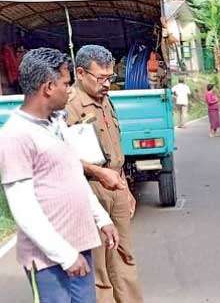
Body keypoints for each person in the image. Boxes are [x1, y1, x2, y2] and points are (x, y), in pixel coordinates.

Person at [0, 47, 118, 302]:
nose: (70, 90)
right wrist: (65, 255)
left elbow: (74, 177)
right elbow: (24, 209)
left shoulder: (56, 125)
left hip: (79, 247)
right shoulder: (15, 135)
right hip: (48, 261)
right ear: (48, 87)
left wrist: (102, 218)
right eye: (66, 83)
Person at [65, 45, 143, 303]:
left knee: (124, 256)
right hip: (89, 189)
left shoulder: (106, 100)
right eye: (101, 78)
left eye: (110, 77)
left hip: (116, 186)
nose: (107, 84)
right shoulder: (70, 105)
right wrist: (97, 172)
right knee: (98, 263)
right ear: (80, 73)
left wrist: (126, 188)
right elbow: (62, 157)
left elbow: (115, 147)